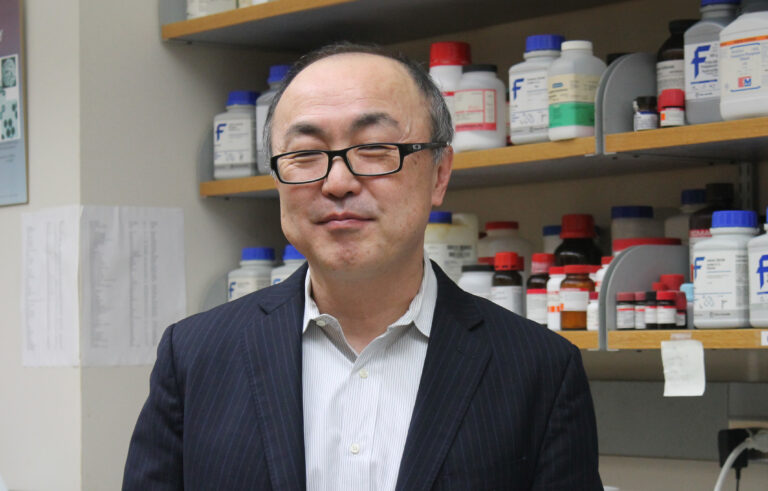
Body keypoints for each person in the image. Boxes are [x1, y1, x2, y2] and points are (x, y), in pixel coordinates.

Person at [123, 43, 602, 490]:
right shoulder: (193, 357)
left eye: (374, 148)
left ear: (439, 175)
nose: (337, 182)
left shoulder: (539, 369)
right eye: (305, 154)